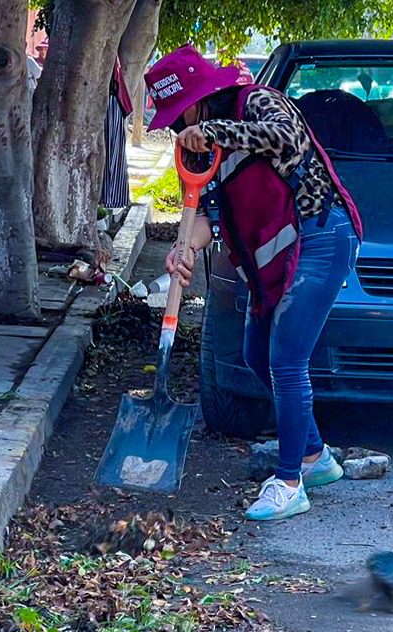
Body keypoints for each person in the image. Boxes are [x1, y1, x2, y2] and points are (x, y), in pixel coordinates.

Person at [145, 45, 363, 521]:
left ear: (201, 103)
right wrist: (187, 248)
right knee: (254, 354)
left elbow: (286, 137)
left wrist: (215, 132)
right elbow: (203, 214)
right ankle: (314, 456)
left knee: (286, 361)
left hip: (321, 236)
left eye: (181, 117)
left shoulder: (259, 102)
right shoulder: (196, 150)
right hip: (275, 256)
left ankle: (290, 483)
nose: (179, 129)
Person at [100, 58, 133, 210]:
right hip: (110, 104)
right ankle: (110, 197)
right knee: (110, 152)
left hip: (110, 104)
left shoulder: (109, 57)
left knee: (112, 152)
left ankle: (111, 198)